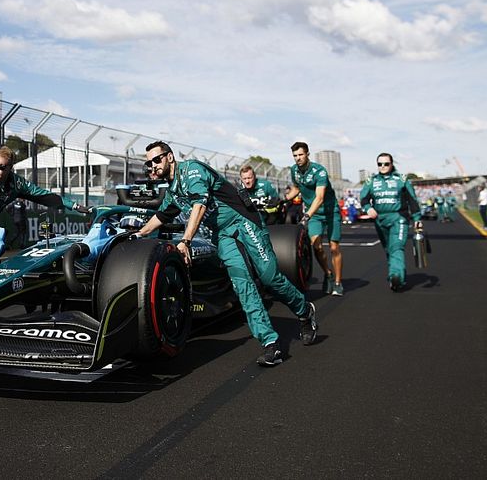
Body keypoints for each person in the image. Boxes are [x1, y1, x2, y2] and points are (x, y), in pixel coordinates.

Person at [133, 141, 318, 367]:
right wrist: (138, 234)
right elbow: (162, 216)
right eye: (149, 162)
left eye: (156, 159)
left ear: (169, 157)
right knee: (243, 285)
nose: (153, 165)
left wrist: (185, 241)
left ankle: (304, 310)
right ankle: (271, 344)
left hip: (243, 221)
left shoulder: (192, 170)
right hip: (221, 235)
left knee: (269, 277)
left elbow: (200, 205)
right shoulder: (173, 192)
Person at [0, 146, 89, 237]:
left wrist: (75, 206)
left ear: (10, 168)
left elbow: (44, 196)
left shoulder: (18, 184)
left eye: (1, 167)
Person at [284, 142, 344, 296]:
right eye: (295, 156)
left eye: (300, 155)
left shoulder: (320, 171)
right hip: (315, 215)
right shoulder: (294, 170)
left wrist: (306, 215)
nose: (298, 158)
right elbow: (297, 188)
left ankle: (338, 282)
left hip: (330, 212)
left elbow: (320, 198)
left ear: (307, 154)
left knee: (333, 248)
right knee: (316, 246)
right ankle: (328, 274)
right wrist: (283, 200)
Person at [360, 153, 423, 291]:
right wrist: (368, 208)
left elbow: (412, 200)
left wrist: (417, 219)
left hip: (398, 218)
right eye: (380, 164)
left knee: (397, 247)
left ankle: (396, 275)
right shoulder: (371, 181)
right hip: (379, 219)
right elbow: (363, 198)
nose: (383, 167)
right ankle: (396, 274)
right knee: (389, 248)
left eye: (386, 164)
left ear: (392, 164)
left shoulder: (402, 179)